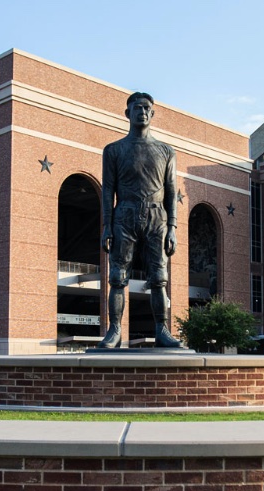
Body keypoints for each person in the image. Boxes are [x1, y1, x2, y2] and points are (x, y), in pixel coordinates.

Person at [98, 92, 181, 349]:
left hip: (157, 217)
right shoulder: (114, 150)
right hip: (124, 214)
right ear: (128, 113)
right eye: (137, 108)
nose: (142, 112)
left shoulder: (166, 151)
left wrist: (172, 227)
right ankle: (114, 330)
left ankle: (162, 330)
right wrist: (107, 226)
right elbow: (108, 190)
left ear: (152, 114)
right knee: (117, 276)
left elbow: (171, 191)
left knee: (159, 278)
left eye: (146, 108)